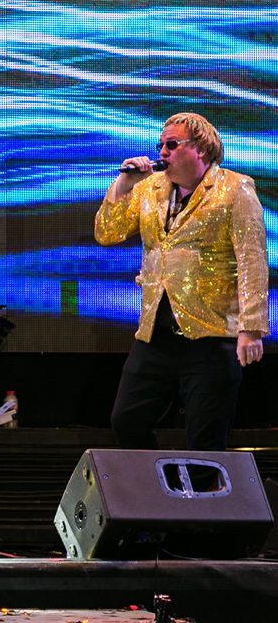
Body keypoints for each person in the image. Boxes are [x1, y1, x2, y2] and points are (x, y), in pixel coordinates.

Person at [95, 112, 269, 453]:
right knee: (126, 420)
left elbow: (252, 259)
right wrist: (123, 184)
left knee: (205, 439)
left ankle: (198, 488)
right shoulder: (150, 189)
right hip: (156, 333)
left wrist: (251, 328)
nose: (162, 152)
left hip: (210, 334)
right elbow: (107, 233)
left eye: (172, 144)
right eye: (161, 145)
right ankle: (158, 482)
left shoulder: (235, 189)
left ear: (201, 149)